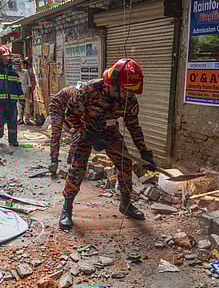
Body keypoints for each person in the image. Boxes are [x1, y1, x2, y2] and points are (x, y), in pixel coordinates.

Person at [58, 59, 156, 230]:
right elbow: (69, 115)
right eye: (125, 90)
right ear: (114, 83)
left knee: (126, 165)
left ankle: (126, 204)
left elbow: (133, 126)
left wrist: (144, 151)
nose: (128, 95)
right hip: (85, 131)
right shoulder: (89, 91)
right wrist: (85, 133)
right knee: (77, 168)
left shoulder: (129, 99)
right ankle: (67, 208)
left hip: (110, 133)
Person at [0, 46, 24, 146]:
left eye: (8, 57)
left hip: (12, 102)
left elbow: (18, 85)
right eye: (5, 57)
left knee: (12, 122)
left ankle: (13, 140)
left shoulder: (13, 70)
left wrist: (21, 98)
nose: (8, 59)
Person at [48, 84, 79, 174]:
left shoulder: (88, 99)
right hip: (57, 106)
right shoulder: (78, 96)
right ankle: (54, 160)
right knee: (56, 133)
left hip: (69, 108)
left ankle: (72, 156)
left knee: (77, 131)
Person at [16, 59, 33, 125]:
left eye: (19, 65)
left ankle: (27, 120)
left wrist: (29, 91)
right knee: (19, 106)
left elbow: (29, 82)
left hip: (26, 91)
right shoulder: (15, 73)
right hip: (18, 91)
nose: (18, 66)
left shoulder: (25, 72)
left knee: (27, 106)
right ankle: (20, 119)